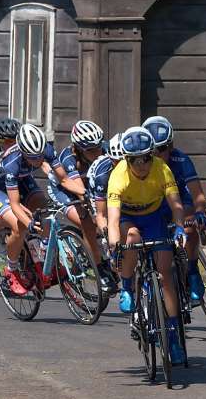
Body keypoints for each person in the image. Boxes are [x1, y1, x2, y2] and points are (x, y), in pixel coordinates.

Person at [107, 127, 187, 365]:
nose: (142, 165)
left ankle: (172, 336)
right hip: (128, 218)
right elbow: (113, 220)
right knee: (131, 239)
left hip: (153, 218)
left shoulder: (162, 169)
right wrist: (114, 245)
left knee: (165, 274)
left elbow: (176, 205)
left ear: (153, 155)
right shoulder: (118, 176)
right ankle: (127, 286)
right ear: (126, 159)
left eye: (146, 158)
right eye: (135, 160)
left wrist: (180, 228)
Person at [0, 124, 78, 294]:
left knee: (45, 210)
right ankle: (11, 269)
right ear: (22, 152)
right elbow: (14, 204)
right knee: (20, 226)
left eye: (40, 156)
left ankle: (40, 256)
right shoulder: (11, 162)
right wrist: (28, 223)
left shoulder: (46, 150)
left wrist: (84, 194)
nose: (37, 160)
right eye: (32, 157)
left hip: (23, 179)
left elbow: (64, 179)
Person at [143, 115, 206, 307]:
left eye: (163, 148)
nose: (158, 154)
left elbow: (197, 194)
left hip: (180, 200)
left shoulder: (181, 160)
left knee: (190, 226)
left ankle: (192, 270)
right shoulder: (141, 165)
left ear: (171, 146)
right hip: (155, 205)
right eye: (153, 150)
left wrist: (200, 213)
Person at [47, 120, 108, 280]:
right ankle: (99, 269)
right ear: (79, 149)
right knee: (88, 222)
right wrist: (94, 213)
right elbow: (81, 193)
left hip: (89, 188)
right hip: (64, 190)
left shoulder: (106, 150)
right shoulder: (68, 158)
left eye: (99, 146)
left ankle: (87, 251)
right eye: (91, 150)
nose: (97, 152)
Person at [86, 134, 124, 293]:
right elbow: (101, 215)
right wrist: (110, 237)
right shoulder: (103, 174)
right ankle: (103, 260)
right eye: (116, 162)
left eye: (123, 162)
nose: (120, 166)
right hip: (100, 191)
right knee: (110, 232)